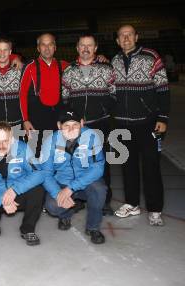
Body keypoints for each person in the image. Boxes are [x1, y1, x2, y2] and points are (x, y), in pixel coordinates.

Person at [112, 24, 170, 226]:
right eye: (122, 35)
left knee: (151, 167)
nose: (126, 38)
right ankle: (132, 203)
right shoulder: (114, 60)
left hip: (148, 123)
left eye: (129, 34)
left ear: (136, 37)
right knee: (127, 166)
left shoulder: (151, 56)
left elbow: (163, 89)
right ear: (117, 40)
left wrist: (162, 118)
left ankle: (155, 209)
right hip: (121, 124)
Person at [61, 34, 116, 215]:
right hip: (77, 127)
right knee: (75, 162)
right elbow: (65, 97)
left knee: (102, 163)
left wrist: (103, 111)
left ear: (95, 48)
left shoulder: (107, 68)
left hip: (101, 123)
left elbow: (114, 94)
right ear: (77, 48)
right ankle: (77, 198)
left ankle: (105, 201)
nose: (85, 48)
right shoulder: (69, 70)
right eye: (82, 45)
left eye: (89, 45)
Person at [40, 108, 107, 244]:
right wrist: (57, 192)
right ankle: (65, 215)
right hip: (62, 182)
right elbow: (45, 173)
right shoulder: (50, 142)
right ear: (59, 126)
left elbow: (98, 168)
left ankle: (93, 227)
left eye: (75, 124)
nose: (71, 129)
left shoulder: (92, 137)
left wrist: (71, 188)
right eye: (66, 125)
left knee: (100, 190)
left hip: (86, 181)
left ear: (82, 123)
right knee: (52, 206)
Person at [0, 122, 47, 246]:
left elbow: (39, 173)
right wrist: (1, 200)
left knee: (38, 191)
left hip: (18, 194)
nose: (1, 145)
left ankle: (27, 229)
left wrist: (15, 190)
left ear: (12, 139)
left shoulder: (22, 149)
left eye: (5, 141)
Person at [19, 33, 69, 150]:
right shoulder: (30, 67)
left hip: (58, 117)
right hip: (36, 118)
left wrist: (99, 57)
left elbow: (83, 63)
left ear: (55, 47)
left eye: (50, 44)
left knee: (58, 152)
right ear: (38, 48)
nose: (47, 48)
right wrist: (25, 120)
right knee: (36, 154)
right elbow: (22, 95)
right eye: (43, 45)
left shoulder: (65, 66)